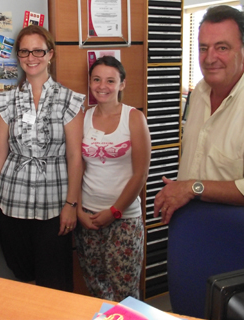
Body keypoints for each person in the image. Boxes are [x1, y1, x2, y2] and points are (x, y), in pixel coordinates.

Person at [154, 5, 244, 224]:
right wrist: (183, 189)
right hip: (191, 226)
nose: (210, 58)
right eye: (203, 48)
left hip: (236, 239)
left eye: (222, 48)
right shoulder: (200, 91)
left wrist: (192, 188)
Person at [0, 25, 85, 292]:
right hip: (11, 201)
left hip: (55, 204)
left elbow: (75, 156)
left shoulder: (69, 99)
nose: (31, 57)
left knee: (55, 281)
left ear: (50, 54)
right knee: (23, 276)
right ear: (18, 56)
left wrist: (71, 204)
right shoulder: (6, 100)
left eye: (38, 50)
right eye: (25, 51)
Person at [75, 56, 151, 301]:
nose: (102, 86)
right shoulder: (82, 117)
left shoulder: (134, 118)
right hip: (88, 218)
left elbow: (140, 174)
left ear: (122, 84)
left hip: (124, 220)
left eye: (110, 80)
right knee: (96, 287)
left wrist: (115, 212)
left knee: (125, 293)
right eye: (96, 79)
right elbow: (75, 166)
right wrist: (77, 210)